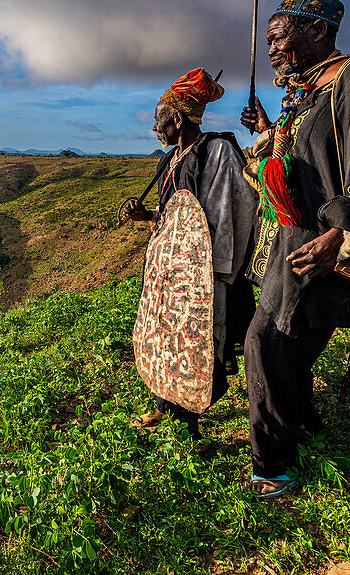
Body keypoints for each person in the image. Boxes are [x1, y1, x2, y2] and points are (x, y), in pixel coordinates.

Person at [239, 0, 350, 498]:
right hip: (296, 235)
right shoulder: (309, 93)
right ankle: (305, 425)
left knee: (264, 341)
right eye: (267, 41)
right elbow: (302, 162)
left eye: (278, 36)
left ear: (317, 31)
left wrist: (341, 233)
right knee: (295, 337)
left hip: (324, 237)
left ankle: (274, 466)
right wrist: (272, 129)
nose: (270, 49)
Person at [122, 68, 259, 438]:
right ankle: (165, 407)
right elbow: (173, 215)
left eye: (159, 119)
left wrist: (209, 271)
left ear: (178, 118)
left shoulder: (217, 152)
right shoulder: (169, 161)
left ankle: (189, 427)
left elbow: (228, 214)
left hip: (203, 275)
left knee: (198, 343)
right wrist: (146, 215)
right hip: (170, 272)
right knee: (168, 338)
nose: (155, 128)